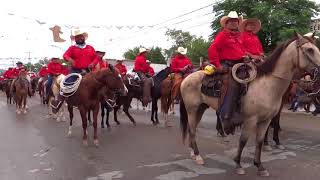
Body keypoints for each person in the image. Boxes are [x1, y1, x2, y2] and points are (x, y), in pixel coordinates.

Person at [208, 11, 247, 127]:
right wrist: (217, 64)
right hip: (227, 64)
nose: (234, 23)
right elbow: (212, 49)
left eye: (236, 21)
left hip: (240, 64)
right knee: (233, 84)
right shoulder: (222, 35)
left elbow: (242, 50)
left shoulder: (239, 36)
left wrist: (246, 56)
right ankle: (226, 115)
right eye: (232, 21)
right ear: (227, 23)